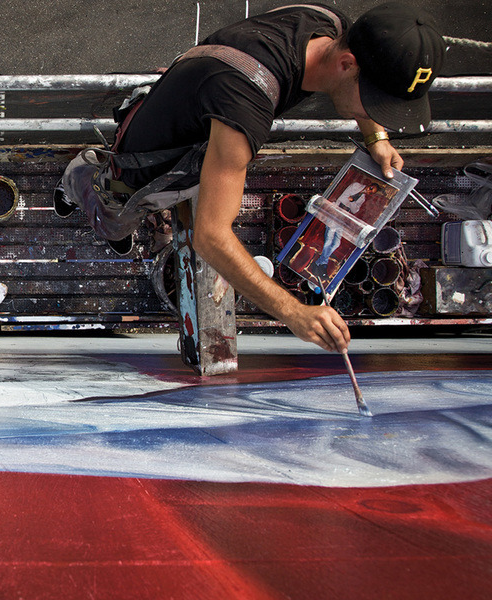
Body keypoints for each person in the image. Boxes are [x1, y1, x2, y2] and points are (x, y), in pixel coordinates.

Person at [55, 2, 443, 354]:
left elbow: (354, 80)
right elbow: (210, 236)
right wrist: (294, 312)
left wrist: (376, 136)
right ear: (346, 63)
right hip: (146, 164)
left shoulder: (325, 22)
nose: (377, 114)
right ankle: (78, 179)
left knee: (191, 185)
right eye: (377, 103)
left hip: (201, 126)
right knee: (114, 214)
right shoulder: (245, 101)